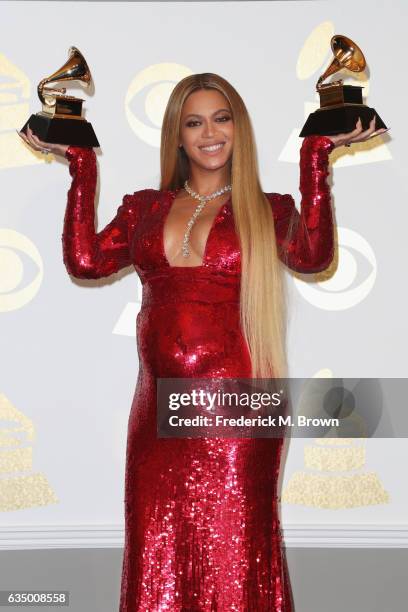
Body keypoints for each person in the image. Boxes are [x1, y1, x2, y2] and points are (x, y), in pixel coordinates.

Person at [19, 72, 385, 611]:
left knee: (234, 548)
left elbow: (314, 257)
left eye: (221, 118)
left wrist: (316, 157)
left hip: (238, 412)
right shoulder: (143, 207)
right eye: (194, 122)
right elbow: (86, 261)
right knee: (158, 546)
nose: (209, 133)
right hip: (156, 415)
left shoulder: (270, 209)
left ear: (239, 129)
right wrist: (81, 166)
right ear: (177, 134)